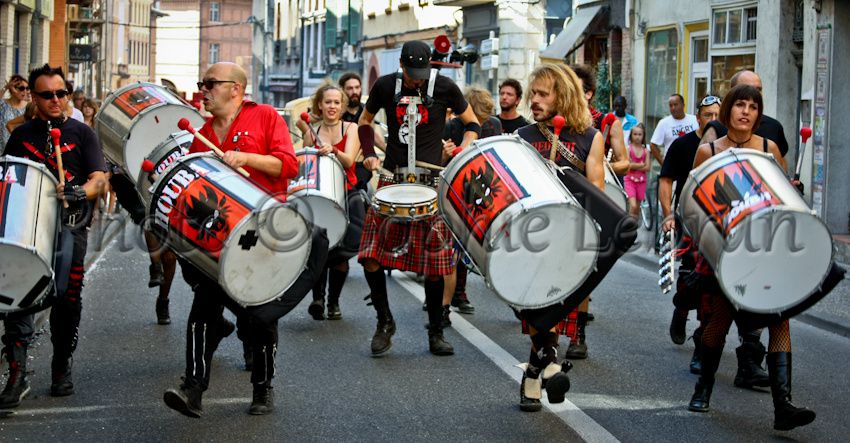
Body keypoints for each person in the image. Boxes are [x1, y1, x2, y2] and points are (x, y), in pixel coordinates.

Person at [162, 62, 328, 417]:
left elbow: (289, 166)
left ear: (235, 89)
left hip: (266, 230)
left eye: (210, 84)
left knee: (259, 317)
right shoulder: (200, 132)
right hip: (220, 238)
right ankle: (192, 388)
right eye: (201, 84)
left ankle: (262, 387)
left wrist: (247, 157)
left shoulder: (266, 116)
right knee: (202, 309)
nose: (203, 90)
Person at [685, 85, 816, 431]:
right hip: (727, 249)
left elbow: (783, 196)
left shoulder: (768, 148)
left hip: (768, 248)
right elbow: (693, 204)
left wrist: (794, 190)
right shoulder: (708, 151)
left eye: (752, 106)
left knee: (780, 319)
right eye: (739, 104)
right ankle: (704, 387)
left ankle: (782, 405)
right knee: (721, 319)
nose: (745, 111)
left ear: (759, 113)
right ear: (727, 110)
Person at [514, 64, 635, 411]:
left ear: (562, 95)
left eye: (542, 94)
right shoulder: (522, 137)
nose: (533, 100)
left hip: (568, 238)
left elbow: (596, 193)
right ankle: (548, 367)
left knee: (550, 311)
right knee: (538, 311)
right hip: (530, 238)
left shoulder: (590, 137)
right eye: (532, 93)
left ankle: (536, 375)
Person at [356, 40, 480, 356]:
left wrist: (466, 146)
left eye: (421, 73)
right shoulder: (385, 86)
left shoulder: (446, 87)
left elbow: (473, 124)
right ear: (401, 65)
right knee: (370, 254)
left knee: (436, 262)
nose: (417, 80)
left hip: (431, 181)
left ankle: (436, 331)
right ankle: (384, 321)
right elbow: (364, 122)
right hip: (392, 178)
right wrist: (369, 154)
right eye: (412, 74)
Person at [0, 64, 107, 409]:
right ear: (34, 97)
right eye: (47, 94)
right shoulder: (21, 136)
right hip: (26, 225)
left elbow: (99, 180)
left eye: (62, 93)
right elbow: (11, 180)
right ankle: (17, 374)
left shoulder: (82, 133)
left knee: (67, 297)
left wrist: (77, 192)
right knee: (16, 291)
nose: (56, 100)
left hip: (70, 226)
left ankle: (61, 364)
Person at [300, 83, 365, 321]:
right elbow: (304, 165)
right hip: (320, 195)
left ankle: (334, 303)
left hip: (346, 193)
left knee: (341, 251)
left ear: (343, 106)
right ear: (320, 104)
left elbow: (349, 161)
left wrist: (333, 152)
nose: (332, 106)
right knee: (319, 248)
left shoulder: (351, 128)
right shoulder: (311, 130)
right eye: (328, 102)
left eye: (337, 102)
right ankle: (318, 299)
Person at [440, 85, 502, 319]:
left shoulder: (494, 124)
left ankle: (459, 293)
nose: (484, 122)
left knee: (468, 244)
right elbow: (441, 160)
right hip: (456, 188)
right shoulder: (452, 126)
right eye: (481, 117)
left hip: (483, 186)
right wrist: (446, 154)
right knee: (453, 245)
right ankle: (449, 295)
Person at [339, 72, 386, 190]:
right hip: (340, 161)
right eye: (349, 88)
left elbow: (372, 136)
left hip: (360, 164)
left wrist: (389, 150)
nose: (354, 91)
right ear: (342, 90)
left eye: (357, 87)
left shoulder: (366, 111)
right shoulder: (336, 111)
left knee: (359, 191)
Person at [649, 94, 698, 166]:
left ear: (683, 105)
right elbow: (653, 145)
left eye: (675, 104)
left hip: (692, 165)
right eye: (670, 105)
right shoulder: (664, 123)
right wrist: (664, 164)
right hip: (673, 166)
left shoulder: (694, 120)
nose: (673, 108)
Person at [625, 123, 649, 218]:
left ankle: (634, 228)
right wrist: (641, 165)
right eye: (635, 134)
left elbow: (647, 167)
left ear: (643, 136)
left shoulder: (646, 151)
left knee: (637, 208)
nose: (637, 137)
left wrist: (633, 165)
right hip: (630, 180)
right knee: (633, 205)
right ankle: (629, 226)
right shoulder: (629, 149)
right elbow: (627, 165)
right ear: (631, 135)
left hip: (641, 181)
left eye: (640, 134)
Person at [0, 74, 30, 150]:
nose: (25, 91)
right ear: (12, 89)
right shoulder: (3, 104)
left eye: (27, 88)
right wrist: (6, 87)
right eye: (21, 88)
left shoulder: (28, 106)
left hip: (19, 148)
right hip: (2, 147)